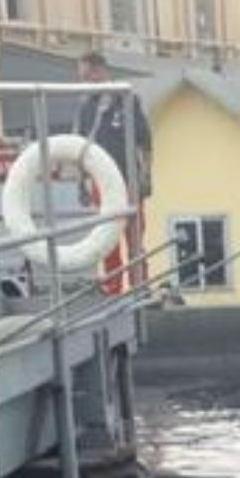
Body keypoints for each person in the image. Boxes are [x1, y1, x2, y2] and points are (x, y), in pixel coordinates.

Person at [74, 51, 153, 295]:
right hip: (102, 184)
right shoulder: (87, 108)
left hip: (128, 179)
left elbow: (145, 142)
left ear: (100, 72)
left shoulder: (127, 101)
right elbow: (81, 147)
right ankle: (114, 290)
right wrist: (81, 181)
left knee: (135, 240)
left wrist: (146, 177)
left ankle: (140, 289)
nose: (85, 82)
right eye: (82, 78)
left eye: (87, 76)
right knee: (107, 240)